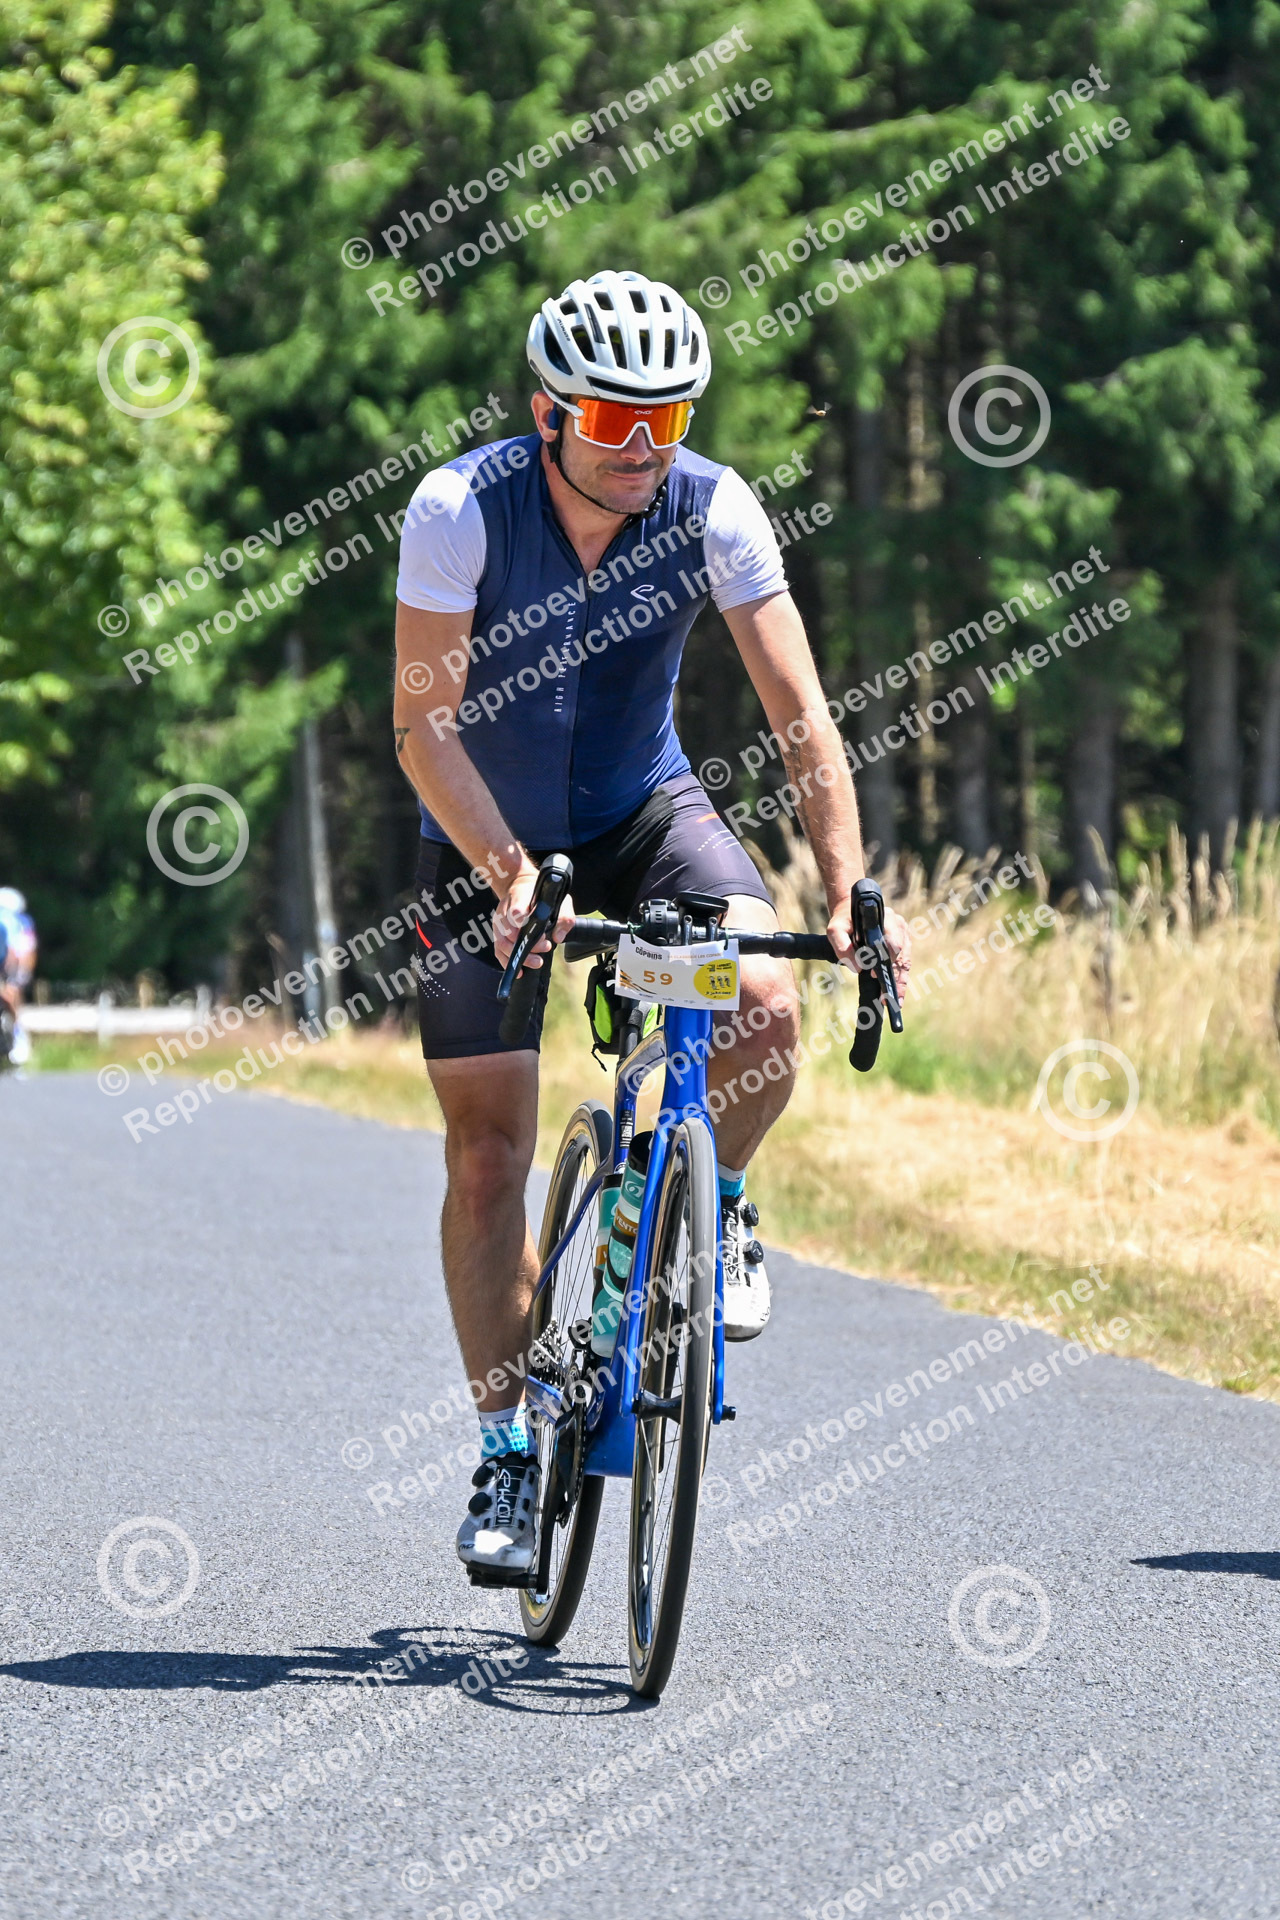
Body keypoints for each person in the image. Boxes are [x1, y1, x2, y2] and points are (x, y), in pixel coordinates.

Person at [393, 269, 910, 1580]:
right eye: (618, 423)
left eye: (668, 421)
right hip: (480, 833)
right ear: (548, 413)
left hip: (641, 811)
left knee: (764, 1004)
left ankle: (710, 1199)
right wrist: (508, 874)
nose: (644, 449)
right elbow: (422, 730)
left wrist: (847, 890)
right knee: (487, 1159)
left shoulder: (713, 506)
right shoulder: (459, 510)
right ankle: (508, 1452)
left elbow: (800, 719)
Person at [0, 887, 37, 1067]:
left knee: (10, 994)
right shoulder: (18, 920)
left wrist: (16, 974)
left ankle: (17, 1033)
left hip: (11, 965)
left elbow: (21, 951)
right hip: (11, 964)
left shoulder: (20, 922)